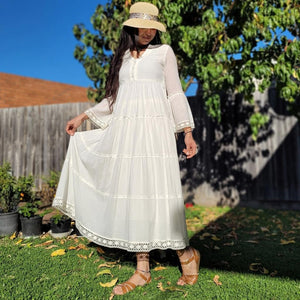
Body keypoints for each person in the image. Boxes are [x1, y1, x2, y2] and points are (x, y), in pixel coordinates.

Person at [52, 1, 200, 296]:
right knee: (133, 195)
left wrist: (187, 131)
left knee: (160, 193)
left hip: (155, 133)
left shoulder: (164, 53)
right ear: (132, 27)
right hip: (127, 135)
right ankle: (142, 270)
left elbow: (174, 93)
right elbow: (114, 100)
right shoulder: (122, 59)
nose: (148, 32)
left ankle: (186, 255)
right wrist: (83, 116)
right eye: (143, 27)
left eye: (153, 27)